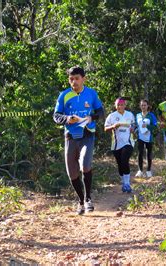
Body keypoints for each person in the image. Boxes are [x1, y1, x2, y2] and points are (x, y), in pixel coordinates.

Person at [53, 66, 104, 215]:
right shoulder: (64, 95)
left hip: (87, 133)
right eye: (71, 79)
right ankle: (81, 201)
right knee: (72, 173)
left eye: (76, 78)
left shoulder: (91, 93)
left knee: (85, 165)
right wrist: (67, 118)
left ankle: (88, 199)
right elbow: (56, 116)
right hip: (70, 136)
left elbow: (101, 112)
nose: (74, 82)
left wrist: (91, 117)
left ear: (83, 79)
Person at [104, 97, 135, 193]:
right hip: (116, 144)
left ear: (125, 105)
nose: (120, 106)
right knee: (120, 164)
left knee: (124, 160)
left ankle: (127, 184)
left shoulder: (129, 114)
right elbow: (105, 128)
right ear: (115, 105)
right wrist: (113, 126)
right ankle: (123, 182)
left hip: (128, 142)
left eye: (121, 105)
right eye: (118, 105)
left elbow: (134, 125)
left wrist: (133, 128)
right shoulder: (111, 116)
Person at [135, 99, 158, 178]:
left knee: (149, 154)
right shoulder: (137, 115)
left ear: (148, 106)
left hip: (149, 138)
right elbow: (136, 126)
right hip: (140, 137)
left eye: (145, 105)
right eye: (142, 105)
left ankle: (148, 171)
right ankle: (140, 170)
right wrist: (135, 130)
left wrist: (147, 126)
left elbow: (155, 126)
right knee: (140, 153)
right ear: (140, 106)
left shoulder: (151, 115)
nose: (143, 107)